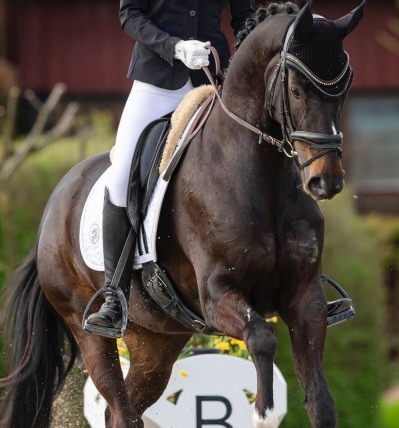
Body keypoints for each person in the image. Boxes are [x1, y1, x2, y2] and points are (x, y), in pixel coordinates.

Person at [84, 0, 354, 338]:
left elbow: (245, 20)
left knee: (272, 151)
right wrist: (175, 47)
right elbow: (130, 15)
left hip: (216, 79)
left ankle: (305, 282)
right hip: (157, 83)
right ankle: (115, 294)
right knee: (123, 173)